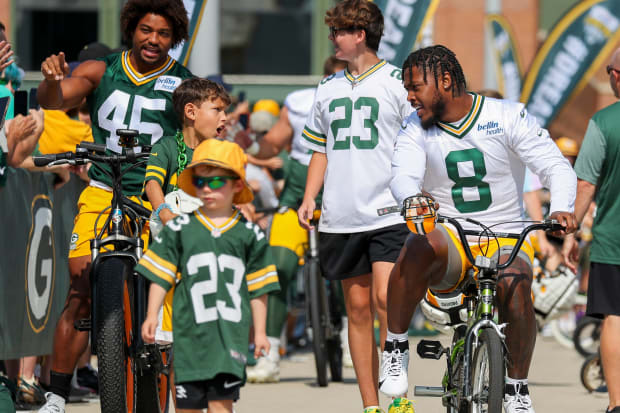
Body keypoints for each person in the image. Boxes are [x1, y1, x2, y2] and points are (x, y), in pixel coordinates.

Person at [381, 45, 577, 413]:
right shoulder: (415, 126)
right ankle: (394, 346)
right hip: (452, 236)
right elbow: (403, 173)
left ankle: (517, 388)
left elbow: (555, 166)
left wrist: (562, 207)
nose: (409, 97)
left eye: (415, 87)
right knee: (417, 243)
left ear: (445, 80)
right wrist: (411, 198)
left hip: (505, 234)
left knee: (517, 282)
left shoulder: (507, 115)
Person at [36, 1, 193, 411]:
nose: (153, 40)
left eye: (162, 33)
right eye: (146, 30)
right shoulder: (101, 70)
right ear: (131, 28)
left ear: (174, 36)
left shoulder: (181, 82)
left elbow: (202, 130)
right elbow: (54, 99)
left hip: (154, 195)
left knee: (170, 287)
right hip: (105, 187)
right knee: (80, 285)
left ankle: (163, 372)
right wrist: (52, 81)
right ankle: (56, 394)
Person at [296, 1, 412, 412]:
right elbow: (320, 150)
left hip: (389, 211)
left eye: (337, 31)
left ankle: (398, 399)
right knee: (358, 310)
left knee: (385, 300)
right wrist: (310, 196)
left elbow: (416, 144)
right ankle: (371, 405)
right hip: (340, 216)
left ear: (359, 33)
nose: (332, 38)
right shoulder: (326, 88)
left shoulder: (399, 83)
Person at [137, 138, 280, 413]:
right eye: (201, 182)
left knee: (220, 406)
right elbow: (161, 274)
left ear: (237, 185)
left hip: (229, 339)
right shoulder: (180, 228)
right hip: (188, 338)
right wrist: (152, 314)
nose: (206, 189)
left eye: (216, 182)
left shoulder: (249, 235)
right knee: (186, 407)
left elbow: (259, 287)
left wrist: (260, 333)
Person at [247, 55, 347, 383]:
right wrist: (249, 144)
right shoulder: (301, 102)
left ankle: (347, 335)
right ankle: (270, 352)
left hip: (345, 189)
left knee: (351, 270)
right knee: (278, 266)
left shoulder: (372, 97)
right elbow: (273, 142)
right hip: (298, 187)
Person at [563, 48, 620, 413]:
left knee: (616, 317)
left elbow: (585, 186)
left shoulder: (604, 122)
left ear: (618, 74)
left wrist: (571, 231)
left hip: (614, 242)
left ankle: (617, 403)